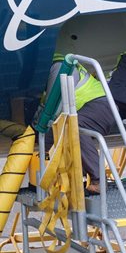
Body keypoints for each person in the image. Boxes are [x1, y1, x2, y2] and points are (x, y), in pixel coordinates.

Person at [43, 54, 115, 195]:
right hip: (93, 108)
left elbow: (53, 109)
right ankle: (72, 179)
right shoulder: (56, 66)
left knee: (75, 126)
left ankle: (99, 180)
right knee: (54, 135)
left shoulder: (59, 68)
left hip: (102, 106)